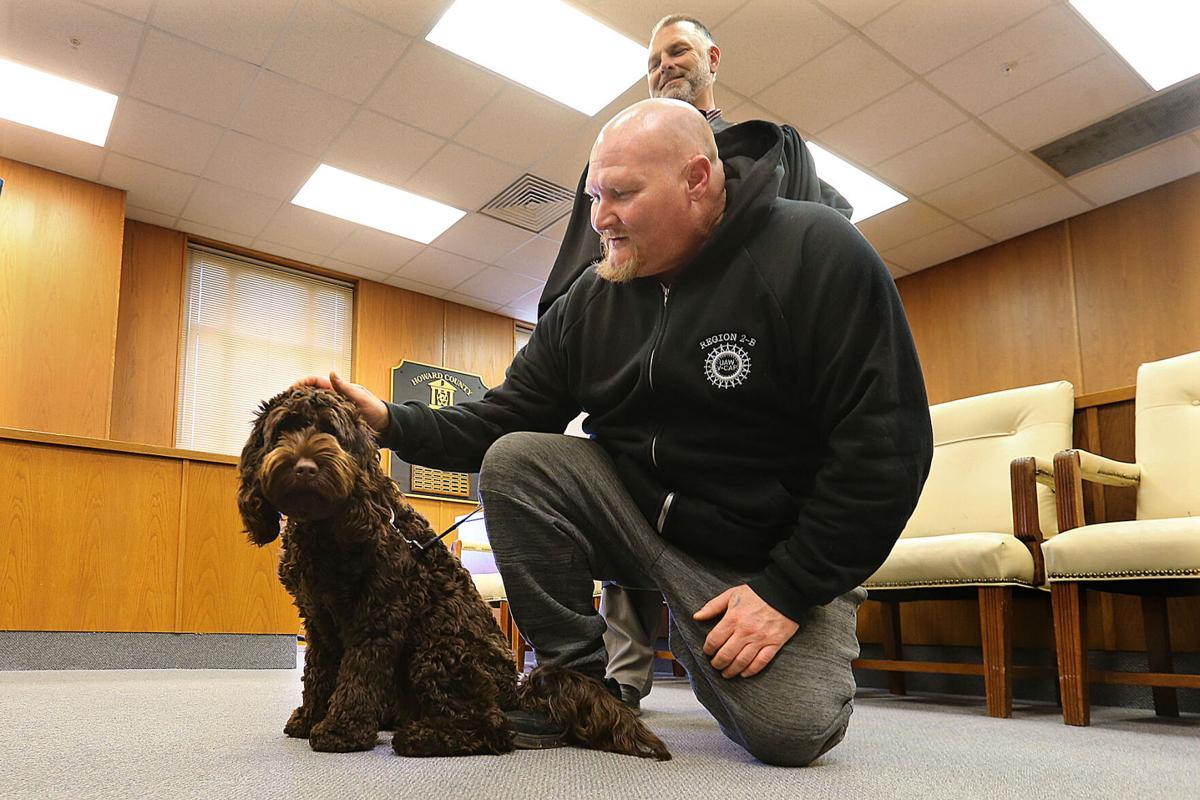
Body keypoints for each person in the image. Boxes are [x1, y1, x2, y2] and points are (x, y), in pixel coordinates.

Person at [301, 98, 932, 767]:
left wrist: (787, 591)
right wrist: (391, 421)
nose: (600, 218)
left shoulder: (816, 253)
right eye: (595, 194)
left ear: (697, 179)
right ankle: (571, 686)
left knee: (792, 732)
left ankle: (717, 638)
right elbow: (504, 419)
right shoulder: (592, 298)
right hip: (643, 521)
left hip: (765, 551)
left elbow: (886, 448)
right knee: (518, 462)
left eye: (622, 194)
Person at [540, 15, 855, 711]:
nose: (663, 66)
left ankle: (714, 645)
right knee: (625, 461)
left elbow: (819, 238)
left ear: (712, 58)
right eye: (652, 60)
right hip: (642, 406)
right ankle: (617, 680)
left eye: (677, 51)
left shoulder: (772, 158)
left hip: (739, 417)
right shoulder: (609, 181)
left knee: (785, 726)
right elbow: (576, 282)